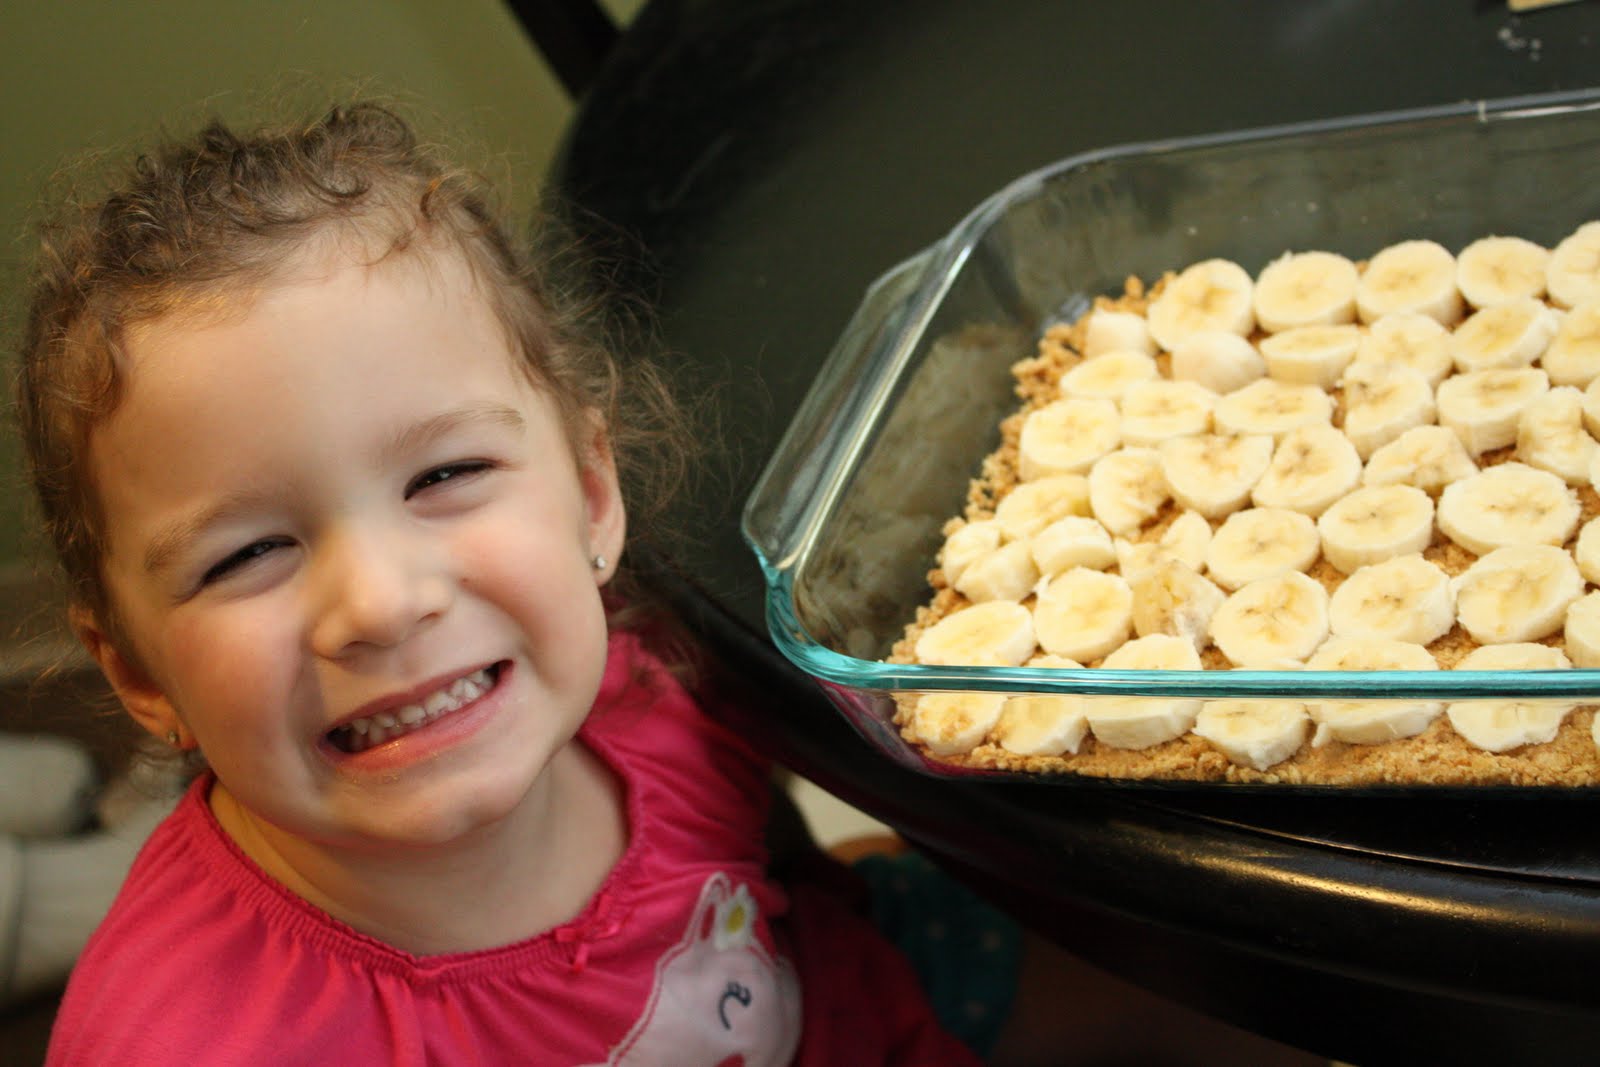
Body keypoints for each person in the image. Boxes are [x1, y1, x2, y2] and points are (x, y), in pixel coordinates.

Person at [14, 101, 1001, 1066]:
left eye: (443, 476)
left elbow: (799, 882)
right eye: (244, 554)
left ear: (589, 490)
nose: (382, 602)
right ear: (135, 672)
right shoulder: (186, 1043)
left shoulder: (672, 685)